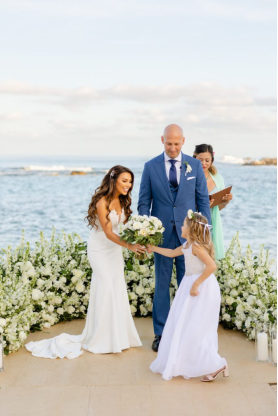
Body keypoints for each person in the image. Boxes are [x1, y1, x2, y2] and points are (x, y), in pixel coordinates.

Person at [25, 166, 143, 358]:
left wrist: (142, 236)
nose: (128, 185)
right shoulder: (101, 201)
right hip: (99, 250)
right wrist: (129, 246)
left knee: (117, 288)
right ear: (113, 180)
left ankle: (119, 337)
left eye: (130, 181)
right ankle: (101, 338)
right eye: (124, 181)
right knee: (105, 287)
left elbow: (127, 228)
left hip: (114, 251)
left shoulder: (123, 201)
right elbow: (108, 232)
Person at [138, 125, 211, 352]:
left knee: (187, 281)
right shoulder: (150, 167)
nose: (172, 148)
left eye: (176, 144)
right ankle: (161, 334)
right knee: (161, 284)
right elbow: (143, 202)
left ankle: (186, 331)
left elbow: (202, 201)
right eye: (168, 143)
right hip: (160, 237)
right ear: (162, 140)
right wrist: (145, 230)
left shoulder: (195, 165)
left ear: (183, 141)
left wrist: (204, 234)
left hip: (189, 236)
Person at [148, 211, 228, 382]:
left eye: (184, 224)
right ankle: (191, 361)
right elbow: (170, 253)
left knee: (199, 326)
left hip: (203, 287)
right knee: (186, 323)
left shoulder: (197, 247)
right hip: (190, 285)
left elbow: (211, 266)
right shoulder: (186, 246)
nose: (181, 226)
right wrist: (152, 248)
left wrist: (197, 283)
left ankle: (216, 363)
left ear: (191, 229)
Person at [194, 144, 233, 260]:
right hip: (196, 221)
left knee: (212, 256)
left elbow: (219, 207)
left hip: (214, 220)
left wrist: (225, 201)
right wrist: (202, 205)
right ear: (194, 158)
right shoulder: (190, 177)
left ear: (212, 161)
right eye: (200, 160)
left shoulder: (218, 178)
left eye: (207, 160)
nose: (204, 163)